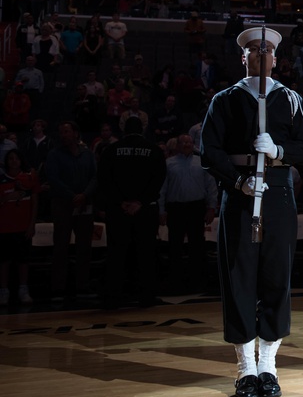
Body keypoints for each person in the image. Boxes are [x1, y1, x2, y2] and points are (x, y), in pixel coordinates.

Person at [200, 26, 303, 397]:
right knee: (240, 277)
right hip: (239, 193)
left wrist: (279, 150)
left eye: (267, 49)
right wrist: (237, 182)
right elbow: (210, 151)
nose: (261, 54)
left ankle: (268, 364)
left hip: (278, 191)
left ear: (276, 59)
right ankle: (245, 367)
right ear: (243, 57)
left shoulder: (291, 99)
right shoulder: (226, 99)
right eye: (254, 49)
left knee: (275, 276)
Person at [97, 117, 167, 309]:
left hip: (118, 210)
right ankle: (147, 297)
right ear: (142, 129)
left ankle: (113, 297)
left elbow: (104, 179)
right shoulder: (153, 150)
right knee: (146, 253)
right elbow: (159, 178)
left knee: (116, 253)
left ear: (123, 129)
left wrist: (121, 201)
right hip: (145, 209)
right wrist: (140, 201)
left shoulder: (111, 150)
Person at [45, 121, 98, 303]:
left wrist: (84, 195)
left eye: (66, 132)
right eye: (61, 132)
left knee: (84, 246)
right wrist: (72, 195)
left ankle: (82, 285)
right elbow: (53, 178)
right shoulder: (54, 154)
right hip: (63, 204)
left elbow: (95, 176)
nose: (63, 135)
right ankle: (58, 287)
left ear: (76, 133)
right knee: (60, 246)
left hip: (84, 204)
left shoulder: (87, 154)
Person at [160, 134, 218, 293]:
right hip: (175, 208)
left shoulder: (201, 162)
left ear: (193, 144)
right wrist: (161, 211)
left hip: (196, 207)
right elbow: (162, 189)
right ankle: (175, 282)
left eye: (189, 142)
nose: (186, 144)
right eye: (183, 142)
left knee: (197, 246)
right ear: (177, 145)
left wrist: (211, 207)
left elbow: (211, 187)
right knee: (175, 247)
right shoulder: (168, 164)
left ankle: (198, 282)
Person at [0, 150, 39, 307]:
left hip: (23, 226)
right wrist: (8, 198)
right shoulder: (2, 179)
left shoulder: (30, 178)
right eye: (10, 159)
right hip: (4, 227)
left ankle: (23, 289)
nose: (14, 161)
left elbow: (35, 203)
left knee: (23, 260)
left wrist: (32, 224)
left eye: (16, 158)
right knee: (4, 261)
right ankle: (3, 291)